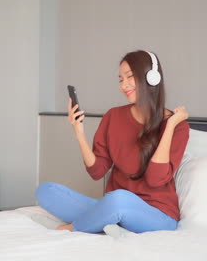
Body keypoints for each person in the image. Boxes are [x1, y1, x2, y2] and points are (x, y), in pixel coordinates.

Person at [35, 50, 190, 233]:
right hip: (115, 203)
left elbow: (156, 179)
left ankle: (77, 227)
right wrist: (79, 132)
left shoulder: (178, 126)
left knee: (119, 200)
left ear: (152, 78)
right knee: (46, 191)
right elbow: (97, 170)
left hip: (158, 215)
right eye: (120, 79)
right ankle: (106, 217)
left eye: (130, 77)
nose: (124, 85)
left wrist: (169, 125)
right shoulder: (113, 116)